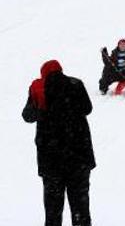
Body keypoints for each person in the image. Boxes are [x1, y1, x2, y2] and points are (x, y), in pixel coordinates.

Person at [22, 60, 95, 226]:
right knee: (80, 209)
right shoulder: (75, 84)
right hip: (78, 157)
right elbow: (87, 108)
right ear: (61, 70)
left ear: (44, 73)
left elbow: (27, 116)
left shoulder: (38, 88)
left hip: (51, 161)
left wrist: (41, 109)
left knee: (53, 211)